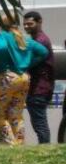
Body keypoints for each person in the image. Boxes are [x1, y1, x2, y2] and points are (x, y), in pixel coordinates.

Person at [0, 14, 48, 145]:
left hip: (5, 78)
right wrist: (27, 63)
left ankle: (9, 144)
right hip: (23, 78)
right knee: (16, 114)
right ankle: (19, 143)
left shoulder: (0, 37)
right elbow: (43, 52)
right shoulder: (24, 38)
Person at [22, 11, 56, 144]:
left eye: (30, 24)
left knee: (40, 124)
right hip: (41, 87)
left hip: (39, 88)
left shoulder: (40, 41)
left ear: (39, 22)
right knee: (39, 123)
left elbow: (28, 62)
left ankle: (45, 148)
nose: (26, 27)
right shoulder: (38, 40)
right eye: (24, 24)